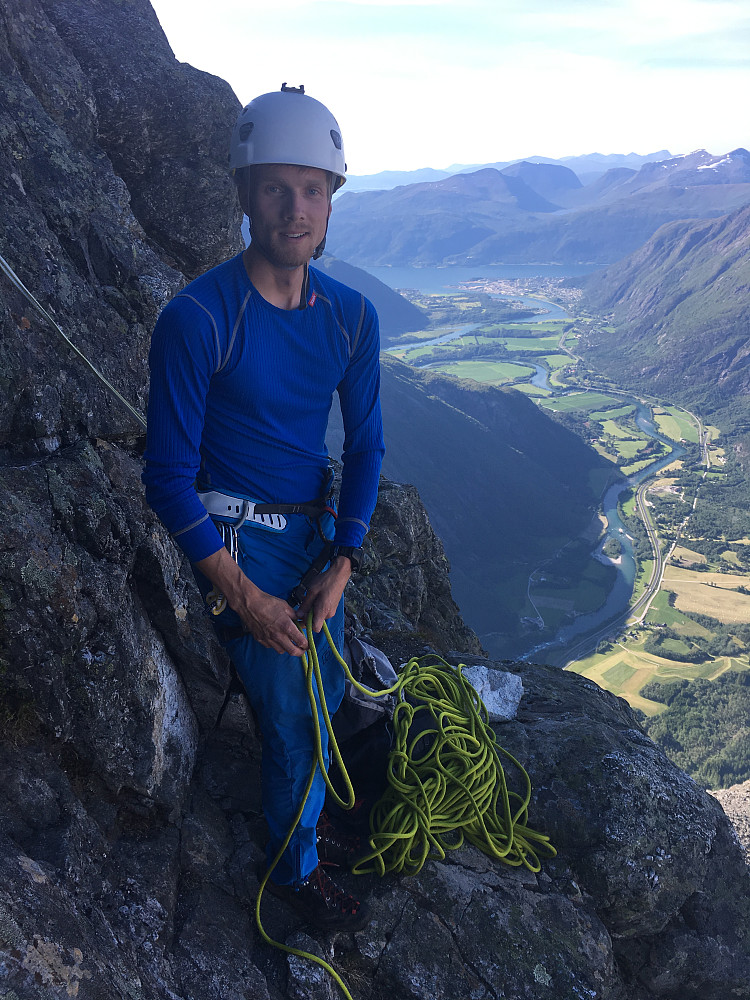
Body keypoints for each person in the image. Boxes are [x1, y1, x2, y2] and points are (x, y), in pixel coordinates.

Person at [142, 84, 384, 931]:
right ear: (245, 194)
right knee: (298, 723)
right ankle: (293, 871)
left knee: (320, 704)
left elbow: (366, 450)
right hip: (238, 541)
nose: (295, 208)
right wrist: (245, 597)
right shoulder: (198, 319)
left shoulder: (351, 321)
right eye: (276, 188)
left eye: (313, 189)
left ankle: (306, 820)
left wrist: (343, 562)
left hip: (314, 540)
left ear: (331, 201)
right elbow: (167, 478)